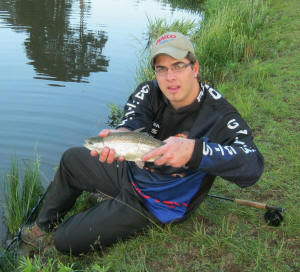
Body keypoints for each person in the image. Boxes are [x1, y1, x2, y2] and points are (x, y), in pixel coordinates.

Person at [21, 32, 264, 255]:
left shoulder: (220, 115)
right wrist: (120, 136)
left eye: (178, 66)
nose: (170, 78)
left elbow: (252, 165)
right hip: (131, 172)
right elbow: (132, 121)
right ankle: (43, 226)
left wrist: (195, 151)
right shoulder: (149, 91)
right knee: (72, 159)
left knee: (66, 241)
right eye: (162, 69)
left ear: (195, 68)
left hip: (159, 201)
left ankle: (80, 225)